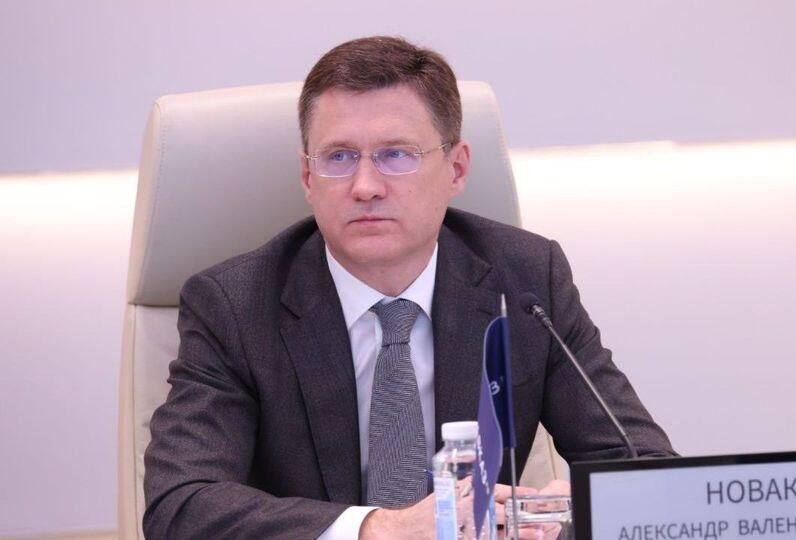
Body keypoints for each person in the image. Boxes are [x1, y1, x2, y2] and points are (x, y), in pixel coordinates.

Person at [142, 36, 675, 539]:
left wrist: (570, 511)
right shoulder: (234, 307)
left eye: (396, 154)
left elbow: (649, 472)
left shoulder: (528, 281)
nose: (365, 186)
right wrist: (383, 529)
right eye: (338, 157)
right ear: (307, 178)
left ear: (457, 168)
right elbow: (181, 504)